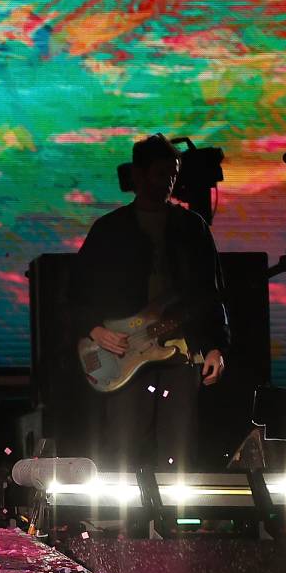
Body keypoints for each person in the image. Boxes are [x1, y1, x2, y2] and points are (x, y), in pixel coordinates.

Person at [71, 134, 229, 478]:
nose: (169, 181)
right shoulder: (110, 230)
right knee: (124, 449)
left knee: (179, 452)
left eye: (173, 173)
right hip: (125, 353)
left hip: (180, 352)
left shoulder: (192, 227)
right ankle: (124, 529)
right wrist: (96, 330)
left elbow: (210, 292)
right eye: (161, 174)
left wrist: (217, 345)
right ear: (139, 176)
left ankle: (174, 528)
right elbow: (74, 293)